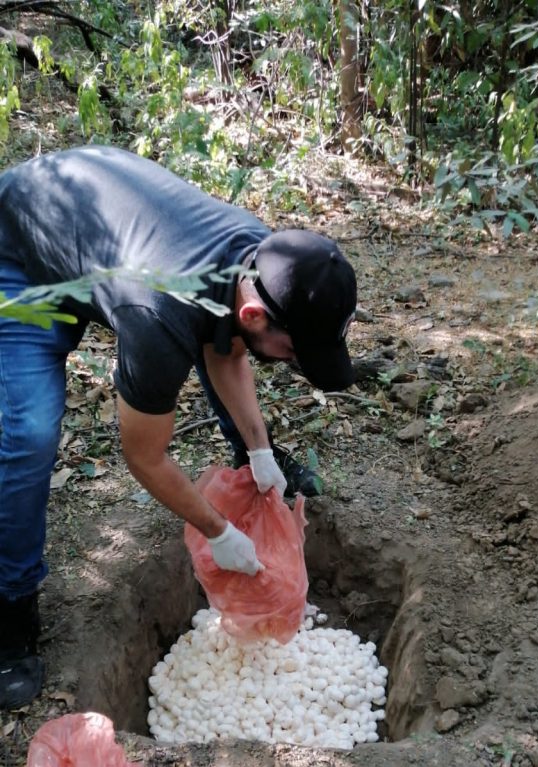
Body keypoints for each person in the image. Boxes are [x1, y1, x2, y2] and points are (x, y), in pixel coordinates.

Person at [0, 145, 357, 710]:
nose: (294, 362)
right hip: (21, 253)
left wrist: (258, 450)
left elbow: (227, 345)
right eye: (294, 351)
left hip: (100, 234)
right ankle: (10, 610)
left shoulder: (266, 260)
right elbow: (144, 457)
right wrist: (218, 531)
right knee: (28, 434)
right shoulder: (156, 316)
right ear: (257, 314)